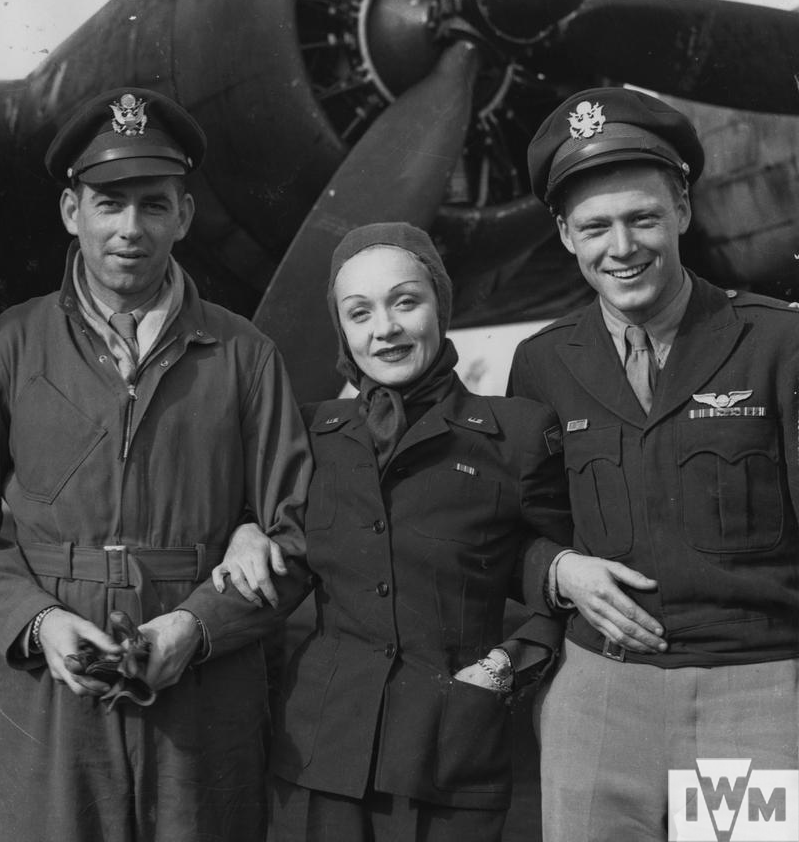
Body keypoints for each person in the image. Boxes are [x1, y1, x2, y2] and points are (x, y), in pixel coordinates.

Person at [0, 87, 312, 842]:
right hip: (47, 693)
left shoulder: (246, 356)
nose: (131, 228)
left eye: (153, 205)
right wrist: (38, 622)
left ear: (184, 216)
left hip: (202, 698)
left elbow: (298, 533)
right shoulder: (6, 348)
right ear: (72, 211)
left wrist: (198, 625)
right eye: (109, 203)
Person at [214, 223, 572, 842]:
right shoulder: (310, 435)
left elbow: (566, 578)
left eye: (406, 302)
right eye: (360, 313)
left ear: (440, 305)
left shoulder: (515, 436)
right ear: (343, 330)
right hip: (319, 757)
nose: (385, 329)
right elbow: (276, 535)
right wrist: (246, 527)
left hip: (449, 755)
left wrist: (510, 663)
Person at [510, 87, 799, 841]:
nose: (622, 248)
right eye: (595, 226)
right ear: (565, 235)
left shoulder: (776, 344)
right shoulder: (542, 363)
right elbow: (514, 528)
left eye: (642, 218)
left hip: (751, 690)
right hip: (599, 692)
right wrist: (558, 571)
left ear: (683, 211)